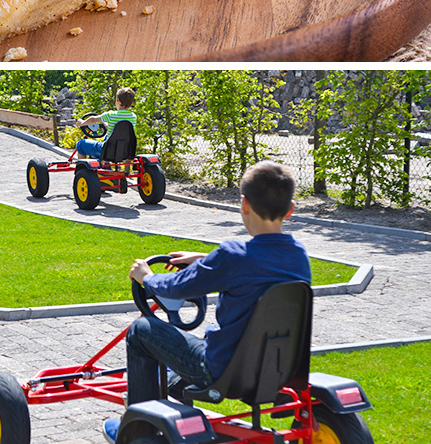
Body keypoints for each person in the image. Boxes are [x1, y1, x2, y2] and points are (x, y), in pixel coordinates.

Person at [102, 161, 310, 443]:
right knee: (177, 364)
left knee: (142, 331)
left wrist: (146, 277)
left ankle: (139, 425)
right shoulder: (299, 255)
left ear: (244, 204)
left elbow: (175, 287)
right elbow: (256, 268)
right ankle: (172, 398)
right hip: (275, 369)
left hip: (221, 370)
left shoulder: (232, 256)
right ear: (290, 209)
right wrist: (205, 260)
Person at [76, 86, 137, 158]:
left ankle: (82, 167)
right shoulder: (133, 117)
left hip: (107, 151)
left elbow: (93, 119)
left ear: (118, 101)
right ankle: (104, 163)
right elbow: (119, 131)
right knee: (106, 137)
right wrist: (106, 125)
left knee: (80, 144)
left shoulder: (111, 115)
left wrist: (82, 123)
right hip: (124, 151)